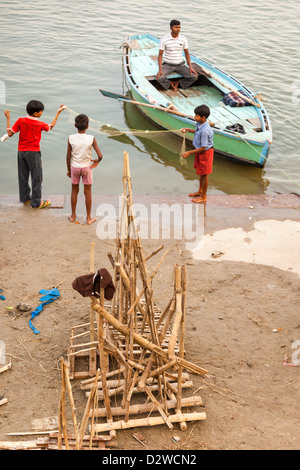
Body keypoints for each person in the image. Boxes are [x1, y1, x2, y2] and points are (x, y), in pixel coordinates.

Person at [4, 101, 65, 208]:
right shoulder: (39, 124)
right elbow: (50, 126)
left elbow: (10, 134)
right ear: (36, 113)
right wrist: (58, 113)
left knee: (23, 176)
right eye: (41, 112)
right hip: (33, 153)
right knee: (36, 177)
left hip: (21, 152)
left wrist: (8, 118)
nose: (42, 113)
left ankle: (25, 199)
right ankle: (37, 202)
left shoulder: (20, 120)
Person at [66, 113, 103, 225]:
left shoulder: (71, 138)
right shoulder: (91, 138)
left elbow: (68, 156)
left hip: (75, 167)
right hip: (87, 167)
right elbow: (100, 155)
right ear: (87, 126)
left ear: (75, 125)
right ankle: (88, 218)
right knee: (87, 192)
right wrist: (97, 162)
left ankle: (73, 216)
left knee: (74, 191)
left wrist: (69, 170)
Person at [181, 104, 214, 204]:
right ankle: (200, 191)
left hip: (205, 153)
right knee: (201, 173)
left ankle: (204, 197)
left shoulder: (205, 131)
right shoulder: (199, 124)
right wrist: (190, 130)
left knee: (204, 174)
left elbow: (203, 147)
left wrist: (189, 152)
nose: (195, 117)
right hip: (200, 151)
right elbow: (197, 132)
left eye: (197, 116)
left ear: (203, 118)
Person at [156, 19, 198, 92]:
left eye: (179, 27)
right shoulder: (164, 40)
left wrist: (190, 67)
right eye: (176, 27)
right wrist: (160, 69)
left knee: (194, 76)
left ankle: (178, 83)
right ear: (171, 28)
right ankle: (170, 84)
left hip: (180, 65)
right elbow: (160, 55)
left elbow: (187, 54)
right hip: (168, 65)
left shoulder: (183, 39)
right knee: (159, 77)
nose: (178, 29)